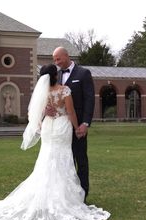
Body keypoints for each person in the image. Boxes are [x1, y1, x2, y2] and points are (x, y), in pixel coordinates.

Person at [0, 64, 110, 220]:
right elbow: (70, 112)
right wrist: (77, 127)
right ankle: (63, 199)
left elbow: (38, 112)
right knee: (62, 159)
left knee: (47, 159)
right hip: (62, 126)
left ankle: (44, 197)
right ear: (55, 76)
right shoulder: (64, 91)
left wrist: (44, 120)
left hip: (49, 128)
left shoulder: (43, 93)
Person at [51, 47, 95, 203]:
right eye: (54, 60)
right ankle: (66, 196)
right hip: (61, 128)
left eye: (58, 59)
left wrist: (85, 123)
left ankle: (83, 195)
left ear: (66, 56)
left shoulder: (83, 73)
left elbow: (89, 100)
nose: (56, 62)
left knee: (80, 159)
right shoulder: (56, 76)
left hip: (79, 127)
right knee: (64, 160)